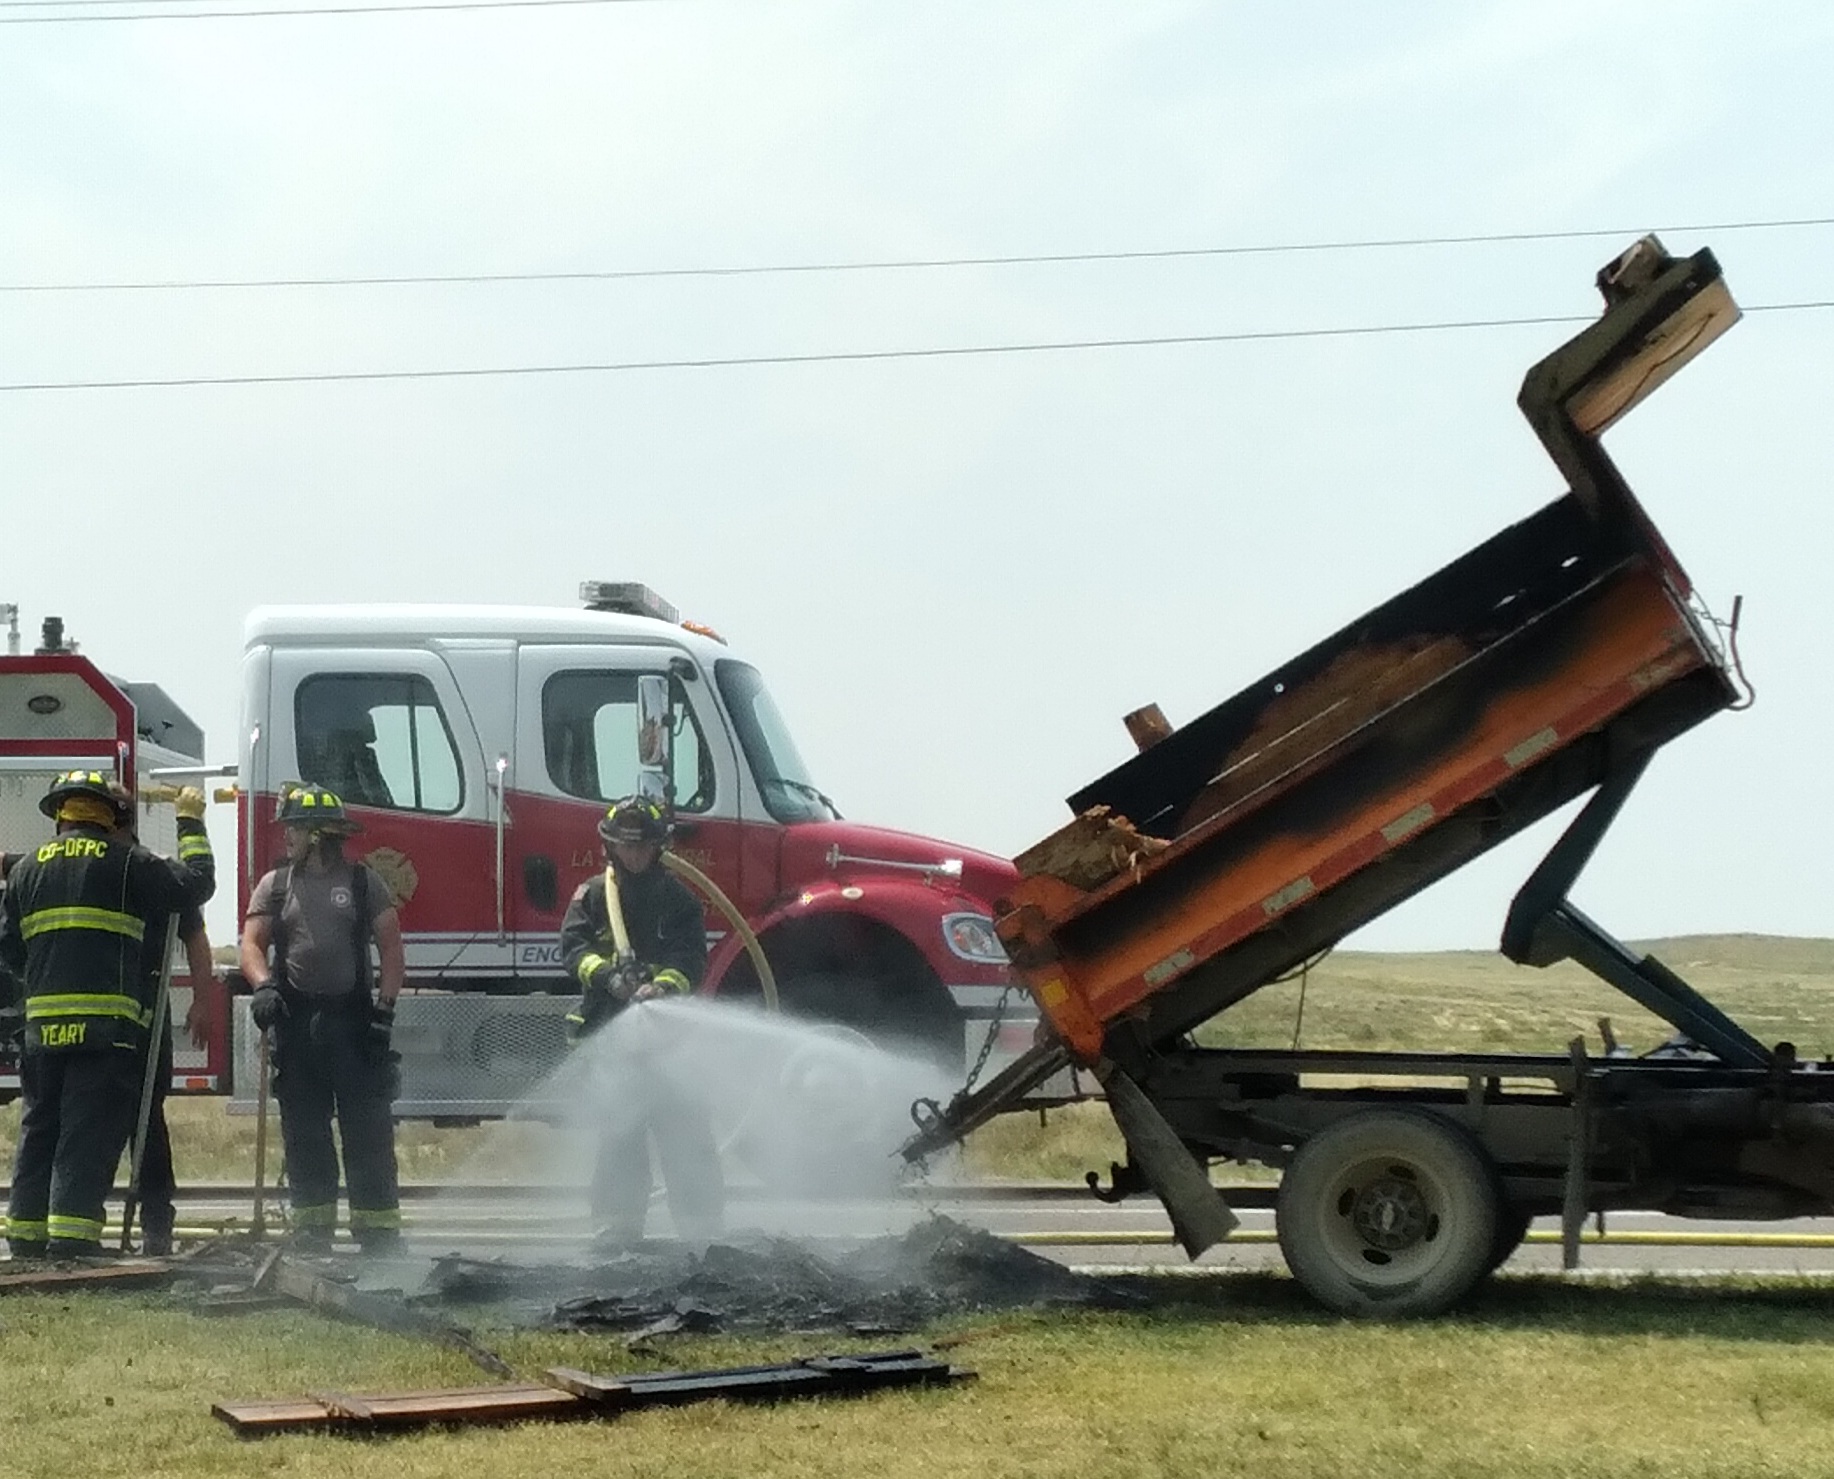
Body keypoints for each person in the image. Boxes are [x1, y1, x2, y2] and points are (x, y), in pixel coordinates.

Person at [0, 771, 214, 1258]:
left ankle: (27, 1239)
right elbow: (197, 885)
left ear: (60, 815)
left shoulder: (27, 870)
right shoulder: (127, 865)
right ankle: (73, 1242)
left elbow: (10, 951)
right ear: (109, 816)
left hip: (43, 1031)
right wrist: (190, 822)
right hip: (107, 1031)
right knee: (85, 1134)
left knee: (40, 1131)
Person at [238, 784, 405, 1252]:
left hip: (353, 1026)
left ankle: (379, 1237)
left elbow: (391, 949)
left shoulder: (361, 882)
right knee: (305, 1133)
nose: (286, 836)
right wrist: (264, 986)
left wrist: (384, 1014)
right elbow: (251, 944)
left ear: (316, 835)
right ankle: (313, 1236)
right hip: (298, 1024)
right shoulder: (276, 885)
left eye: (293, 828)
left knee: (367, 1131)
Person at [559, 795, 723, 1245]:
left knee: (686, 1133)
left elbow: (690, 959)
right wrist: (609, 977)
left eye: (642, 847)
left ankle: (702, 1232)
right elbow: (572, 950)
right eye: (625, 847)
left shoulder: (679, 901)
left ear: (658, 847)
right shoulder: (594, 895)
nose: (634, 855)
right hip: (611, 1034)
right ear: (611, 846)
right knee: (620, 1136)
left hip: (671, 1042)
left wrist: (663, 986)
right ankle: (617, 1230)